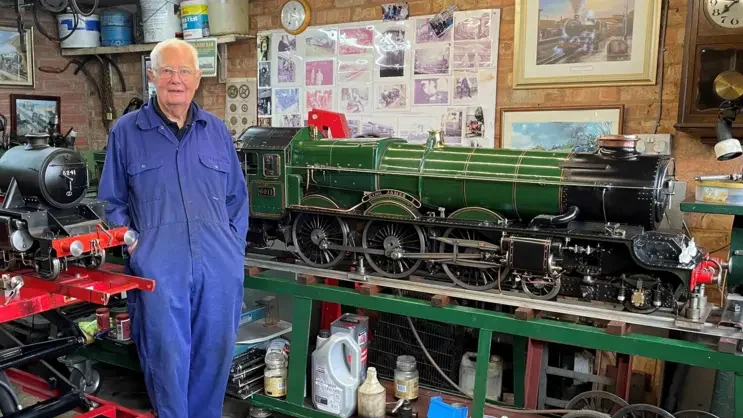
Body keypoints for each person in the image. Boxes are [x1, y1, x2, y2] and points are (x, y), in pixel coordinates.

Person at [97, 38, 249, 418]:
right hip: (159, 269)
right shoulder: (126, 133)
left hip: (218, 267)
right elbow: (109, 202)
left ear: (198, 79)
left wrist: (233, 250)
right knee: (166, 358)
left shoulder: (216, 131)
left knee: (214, 355)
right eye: (167, 71)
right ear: (152, 77)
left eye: (184, 71)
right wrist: (133, 244)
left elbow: (237, 199)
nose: (175, 80)